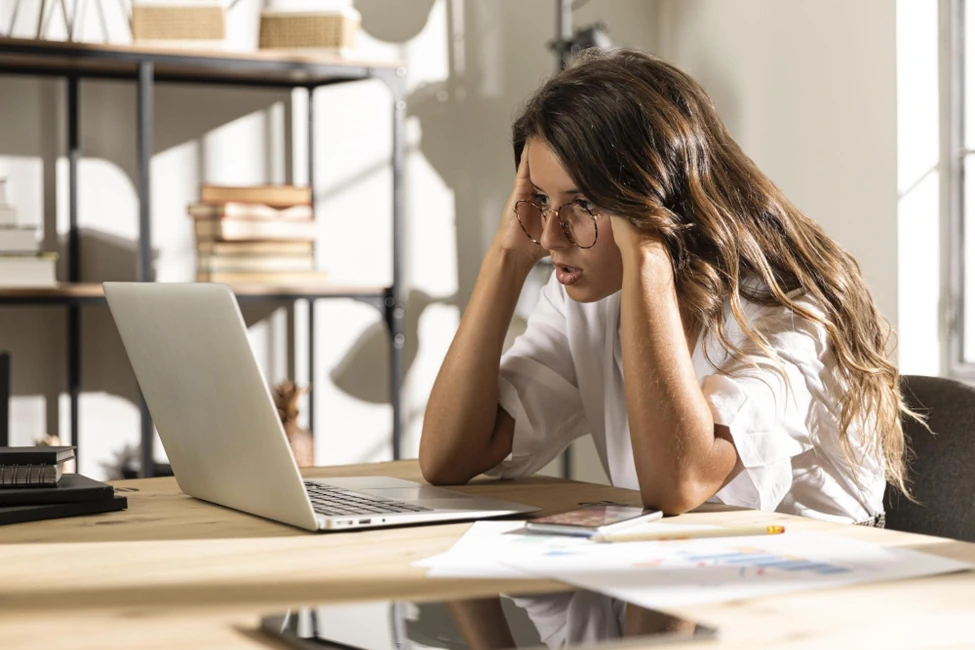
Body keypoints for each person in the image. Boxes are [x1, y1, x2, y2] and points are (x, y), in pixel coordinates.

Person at [419, 47, 915, 527]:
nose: (550, 236)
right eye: (542, 201)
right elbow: (448, 458)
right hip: (684, 580)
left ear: (655, 203)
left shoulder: (791, 313)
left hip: (813, 591)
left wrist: (646, 251)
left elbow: (679, 482)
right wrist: (506, 257)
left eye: (584, 203)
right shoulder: (588, 299)